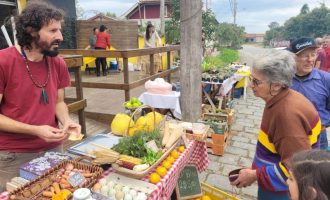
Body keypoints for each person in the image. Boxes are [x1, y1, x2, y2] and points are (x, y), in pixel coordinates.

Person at [0, 1, 81, 192]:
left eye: (59, 30)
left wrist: (66, 120)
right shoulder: (3, 61)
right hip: (14, 154)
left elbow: (59, 101)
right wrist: (35, 130)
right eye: (53, 31)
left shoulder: (57, 62)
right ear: (31, 31)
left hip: (53, 149)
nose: (60, 36)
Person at [230, 49, 321, 200]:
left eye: (256, 81)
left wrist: (254, 175)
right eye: (251, 79)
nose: (251, 85)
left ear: (277, 85)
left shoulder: (286, 116)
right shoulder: (281, 99)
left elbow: (296, 167)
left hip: (283, 192)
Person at [290, 37, 330, 149]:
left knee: (317, 166)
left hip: (318, 135)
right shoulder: (284, 79)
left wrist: (322, 123)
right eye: (304, 55)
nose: (310, 59)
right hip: (289, 134)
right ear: (293, 58)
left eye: (313, 54)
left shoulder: (326, 79)